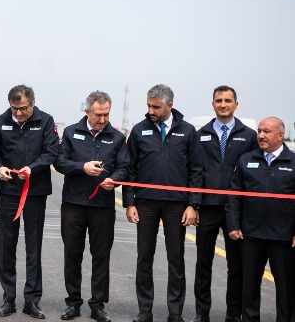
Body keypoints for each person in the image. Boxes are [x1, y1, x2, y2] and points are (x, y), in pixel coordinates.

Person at [122, 84, 202, 322]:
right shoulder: (139, 130)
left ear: (170, 105)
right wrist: (129, 202)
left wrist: (193, 204)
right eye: (148, 106)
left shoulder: (188, 132)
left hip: (176, 205)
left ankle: (175, 313)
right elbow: (130, 168)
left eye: (156, 107)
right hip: (145, 203)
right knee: (144, 258)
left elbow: (196, 170)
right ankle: (145, 310)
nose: (151, 111)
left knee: (176, 259)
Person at [54, 91, 130, 322]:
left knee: (101, 256)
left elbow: (124, 167)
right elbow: (59, 162)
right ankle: (73, 302)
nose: (102, 119)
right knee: (72, 254)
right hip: (74, 204)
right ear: (87, 111)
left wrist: (113, 179)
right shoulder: (71, 133)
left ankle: (98, 304)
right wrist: (82, 167)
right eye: (98, 114)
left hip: (102, 206)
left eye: (106, 114)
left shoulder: (117, 138)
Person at [0, 84, 59, 320]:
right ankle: (8, 298)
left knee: (33, 247)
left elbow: (51, 152)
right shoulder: (0, 122)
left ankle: (32, 300)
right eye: (14, 108)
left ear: (33, 104)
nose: (18, 113)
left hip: (35, 192)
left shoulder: (46, 121)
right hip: (8, 192)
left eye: (23, 109)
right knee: (7, 246)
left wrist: (33, 168)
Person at [191, 86, 257, 322]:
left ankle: (233, 314)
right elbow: (195, 171)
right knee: (203, 263)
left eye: (228, 100)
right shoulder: (200, 134)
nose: (223, 104)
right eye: (218, 100)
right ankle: (202, 313)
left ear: (236, 104)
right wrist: (194, 204)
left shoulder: (249, 136)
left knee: (236, 265)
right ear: (213, 104)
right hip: (208, 208)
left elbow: (253, 174)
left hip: (235, 210)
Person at [226, 117, 295, 322]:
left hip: (283, 237)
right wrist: (233, 224)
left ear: (280, 135)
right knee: (249, 288)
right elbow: (234, 195)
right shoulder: (246, 160)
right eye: (259, 131)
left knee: (286, 288)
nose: (261, 135)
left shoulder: (293, 162)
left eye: (266, 131)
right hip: (251, 235)